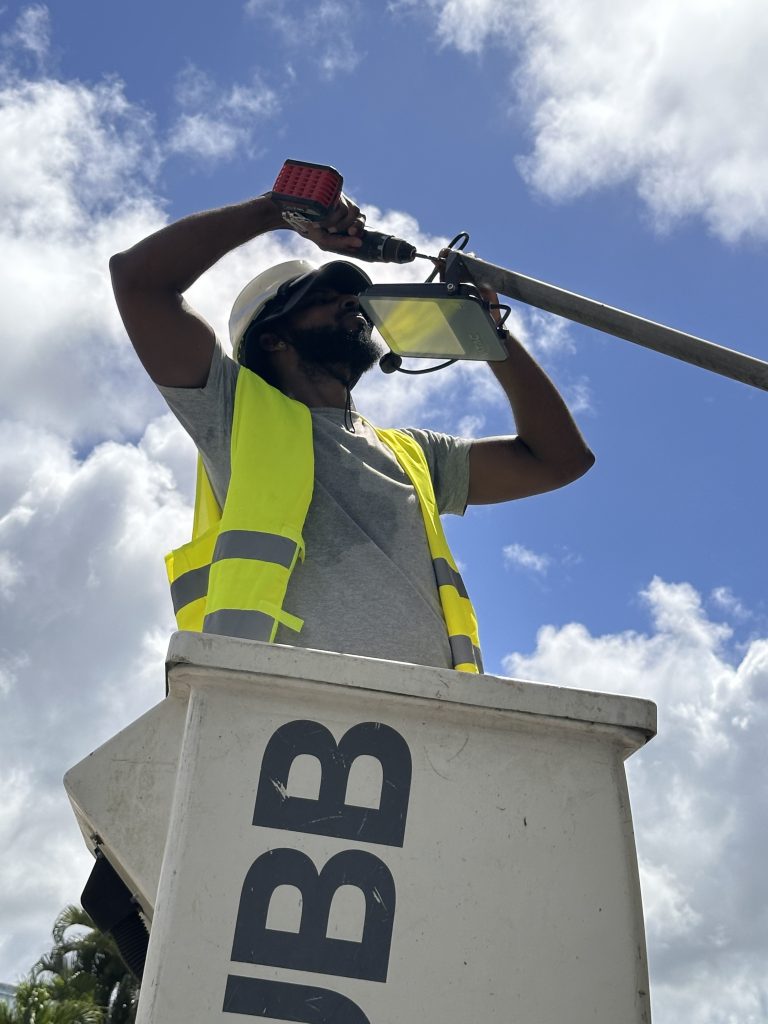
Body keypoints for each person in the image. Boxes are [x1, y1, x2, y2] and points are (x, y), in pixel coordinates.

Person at [109, 181, 594, 674]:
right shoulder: (233, 412)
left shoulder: (414, 454)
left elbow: (559, 460)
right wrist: (281, 212)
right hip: (276, 701)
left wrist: (490, 337)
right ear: (273, 339)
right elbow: (138, 282)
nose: (350, 303)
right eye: (322, 298)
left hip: (433, 707)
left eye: (351, 297)